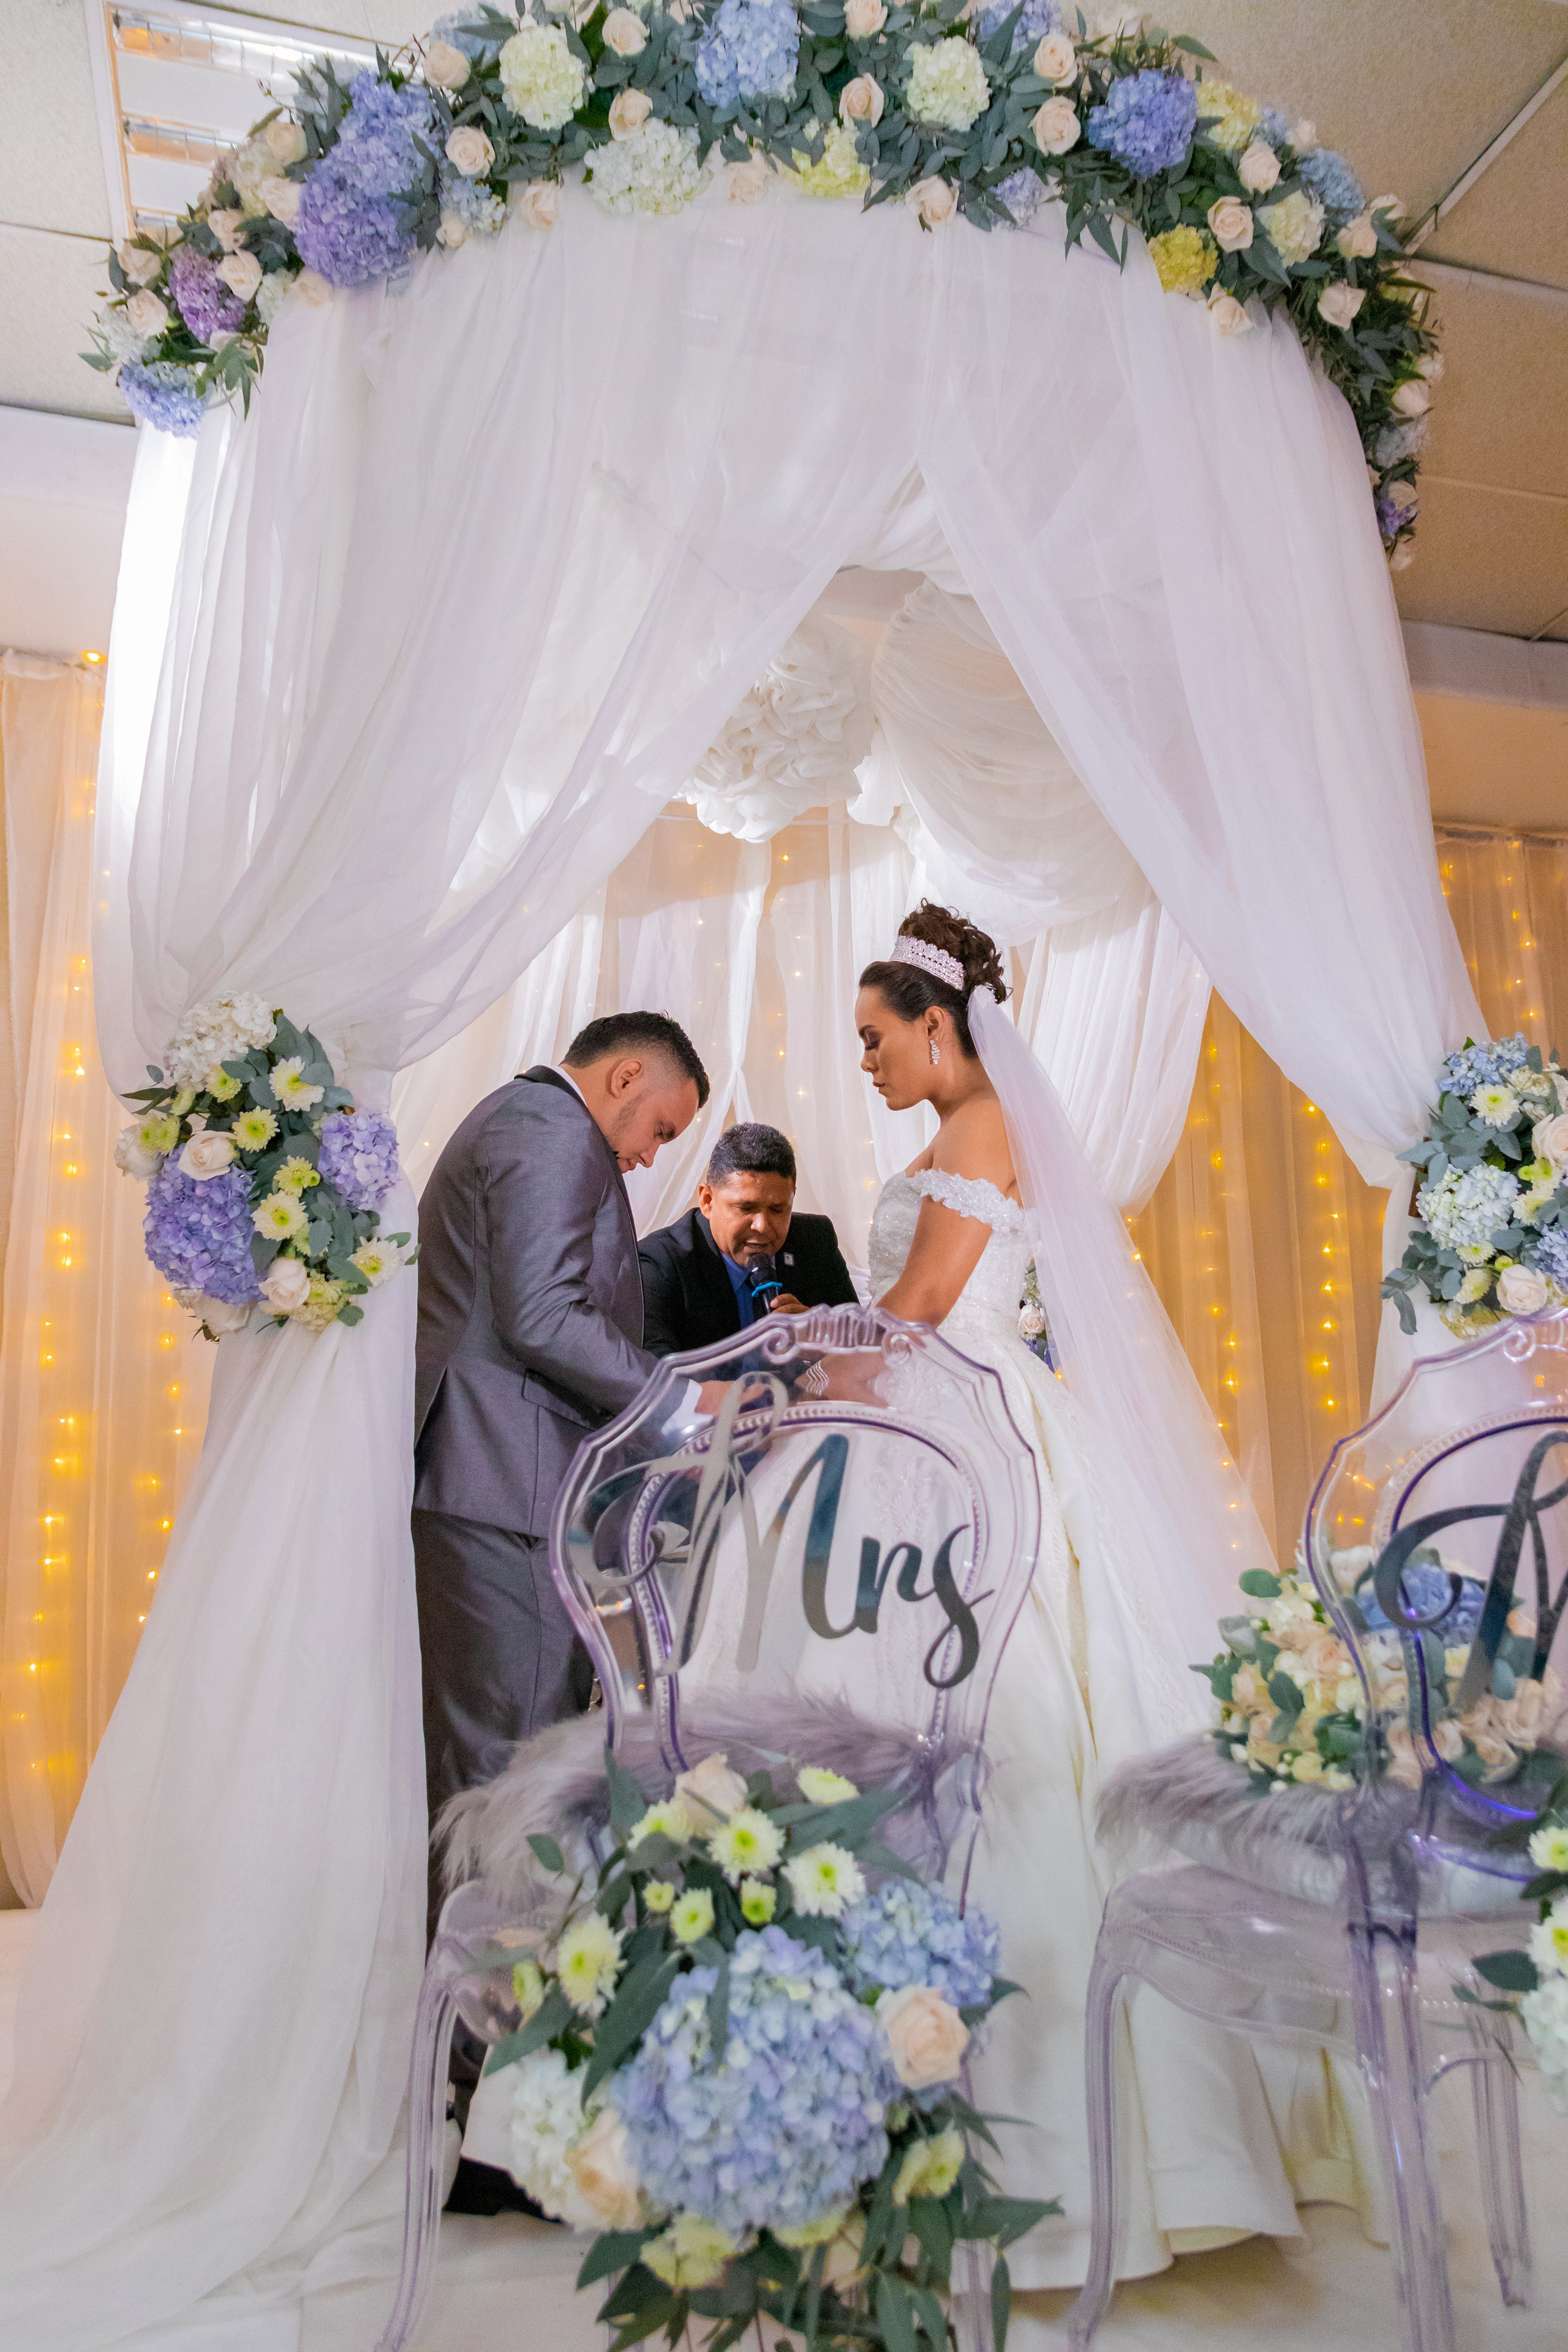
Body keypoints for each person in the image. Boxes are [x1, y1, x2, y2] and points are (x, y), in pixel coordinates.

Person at [853, 904, 1346, 2293]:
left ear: (937, 1025)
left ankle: (1064, 2151)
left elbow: (931, 1296)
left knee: (1016, 1717)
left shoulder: (986, 1124)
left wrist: (815, 1348)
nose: (868, 1064)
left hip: (969, 1424)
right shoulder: (963, 1129)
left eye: (876, 1039)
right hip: (950, 1413)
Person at [412, 1012, 708, 1841]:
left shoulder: (529, 1123)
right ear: (624, 1078)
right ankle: (476, 1970)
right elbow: (543, 1314)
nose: (651, 1154)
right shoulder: (549, 1126)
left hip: (494, 1478)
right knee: (507, 1768)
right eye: (660, 1128)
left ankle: (473, 1962)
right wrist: (684, 1403)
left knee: (494, 1757)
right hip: (506, 1483)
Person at [638, 1121, 858, 1356]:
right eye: (745, 1208)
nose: (762, 1226)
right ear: (707, 1201)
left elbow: (863, 1342)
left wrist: (820, 1335)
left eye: (778, 1209)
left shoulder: (815, 1239)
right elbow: (655, 1374)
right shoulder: (659, 1262)